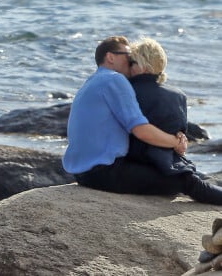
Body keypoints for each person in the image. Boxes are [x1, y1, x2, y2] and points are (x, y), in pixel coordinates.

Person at [62, 35, 222, 205]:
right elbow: (140, 129)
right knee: (185, 181)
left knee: (181, 174)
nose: (131, 61)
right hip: (104, 172)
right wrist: (175, 142)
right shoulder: (114, 79)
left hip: (84, 172)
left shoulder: (93, 82)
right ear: (110, 57)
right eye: (128, 56)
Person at [125, 37, 222, 204]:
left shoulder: (127, 91)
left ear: (143, 66)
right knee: (194, 182)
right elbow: (180, 135)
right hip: (170, 162)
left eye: (131, 62)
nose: (128, 66)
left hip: (139, 163)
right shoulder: (178, 95)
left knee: (192, 183)